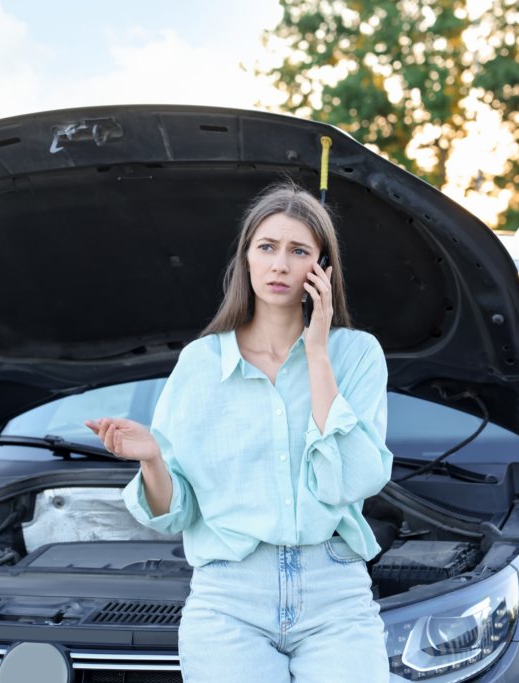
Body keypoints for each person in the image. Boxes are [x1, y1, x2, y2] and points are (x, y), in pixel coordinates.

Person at [84, 180, 392, 682]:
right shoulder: (200, 364)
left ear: (321, 268)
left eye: (298, 251)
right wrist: (152, 460)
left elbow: (349, 482)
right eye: (266, 247)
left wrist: (317, 354)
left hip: (334, 591)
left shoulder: (357, 355)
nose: (279, 265)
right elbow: (174, 512)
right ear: (246, 259)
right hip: (228, 598)